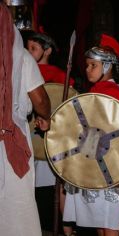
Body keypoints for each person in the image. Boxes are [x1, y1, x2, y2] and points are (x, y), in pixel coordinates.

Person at [62, 33, 119, 236]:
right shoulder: (93, 94)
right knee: (100, 224)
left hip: (111, 170)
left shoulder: (117, 97)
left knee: (110, 225)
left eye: (92, 65)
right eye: (86, 66)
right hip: (93, 166)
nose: (87, 70)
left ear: (107, 66)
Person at [0, 2, 51, 236]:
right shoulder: (21, 56)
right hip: (11, 140)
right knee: (16, 211)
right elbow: (40, 98)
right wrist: (45, 116)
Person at [26, 31, 76, 236]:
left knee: (60, 186)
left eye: (33, 49)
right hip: (28, 140)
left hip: (54, 139)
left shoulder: (62, 78)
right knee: (26, 188)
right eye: (27, 48)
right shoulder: (23, 70)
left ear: (46, 51)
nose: (28, 52)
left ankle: (66, 229)